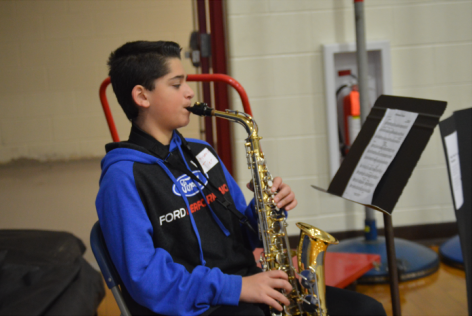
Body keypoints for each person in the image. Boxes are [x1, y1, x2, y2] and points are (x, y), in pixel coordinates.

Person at [96, 40, 386, 316]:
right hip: (197, 307)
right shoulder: (122, 179)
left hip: (247, 287)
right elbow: (147, 280)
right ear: (142, 96)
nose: (189, 92)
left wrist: (267, 209)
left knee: (367, 310)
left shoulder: (201, 152)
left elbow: (245, 233)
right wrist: (237, 287)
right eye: (177, 84)